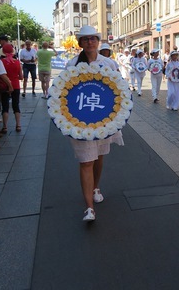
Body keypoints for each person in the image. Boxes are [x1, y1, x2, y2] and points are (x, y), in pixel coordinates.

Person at [66, 26, 124, 222]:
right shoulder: (72, 64)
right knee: (86, 160)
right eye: (85, 39)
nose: (90, 42)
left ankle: (95, 186)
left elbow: (119, 89)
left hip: (102, 119)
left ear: (98, 42)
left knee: (98, 156)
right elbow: (64, 93)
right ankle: (89, 207)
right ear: (80, 42)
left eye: (93, 39)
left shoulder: (109, 64)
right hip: (80, 121)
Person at [0, 44, 23, 133]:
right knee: (16, 105)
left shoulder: (1, 62)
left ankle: (5, 126)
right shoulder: (17, 62)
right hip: (15, 85)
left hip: (4, 85)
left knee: (5, 106)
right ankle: (18, 125)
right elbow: (21, 77)